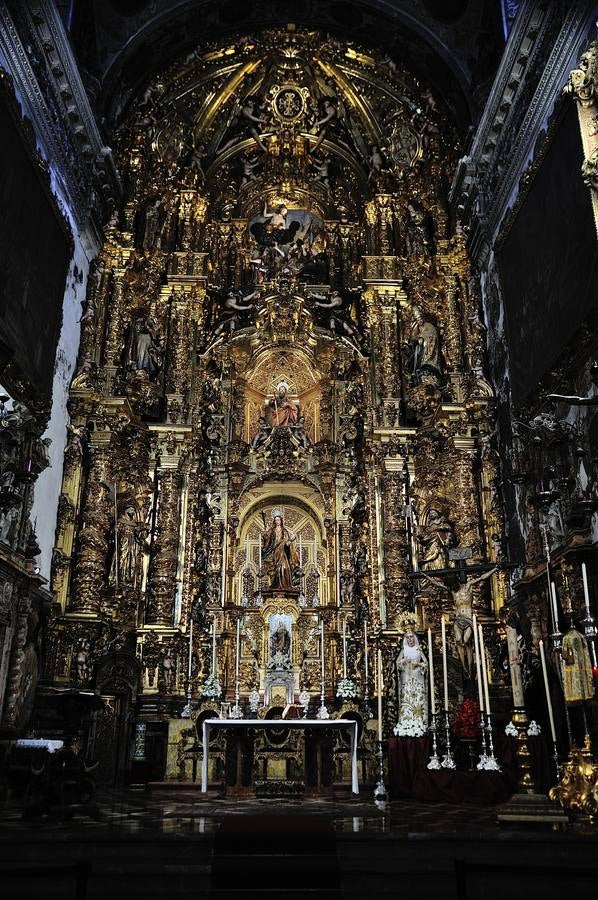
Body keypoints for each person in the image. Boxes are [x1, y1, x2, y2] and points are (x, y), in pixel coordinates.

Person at [419, 567, 497, 677]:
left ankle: (470, 668)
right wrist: (425, 575)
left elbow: (482, 577)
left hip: (468, 619)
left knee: (466, 642)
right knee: (459, 642)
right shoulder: (452, 590)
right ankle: (464, 667)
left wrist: (494, 569)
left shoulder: (468, 586)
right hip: (458, 619)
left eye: (453, 585)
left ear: (456, 582)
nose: (452, 588)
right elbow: (438, 583)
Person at [394, 632, 428, 737]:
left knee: (418, 698)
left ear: (415, 638)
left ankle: (419, 722)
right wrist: (404, 661)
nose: (410, 640)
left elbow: (426, 663)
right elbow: (397, 664)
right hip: (406, 677)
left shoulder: (419, 649)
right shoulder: (404, 650)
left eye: (411, 637)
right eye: (407, 638)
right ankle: (406, 721)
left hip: (417, 676)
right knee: (407, 698)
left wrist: (417, 664)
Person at [261, 511, 299, 591]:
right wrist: (265, 533)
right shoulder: (272, 530)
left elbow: (287, 544)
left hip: (283, 552)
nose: (277, 521)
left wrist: (291, 540)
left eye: (278, 520)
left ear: (281, 521)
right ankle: (275, 585)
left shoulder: (284, 531)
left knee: (285, 568)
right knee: (275, 570)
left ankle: (285, 586)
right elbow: (267, 539)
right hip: (275, 552)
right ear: (274, 521)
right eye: (276, 520)